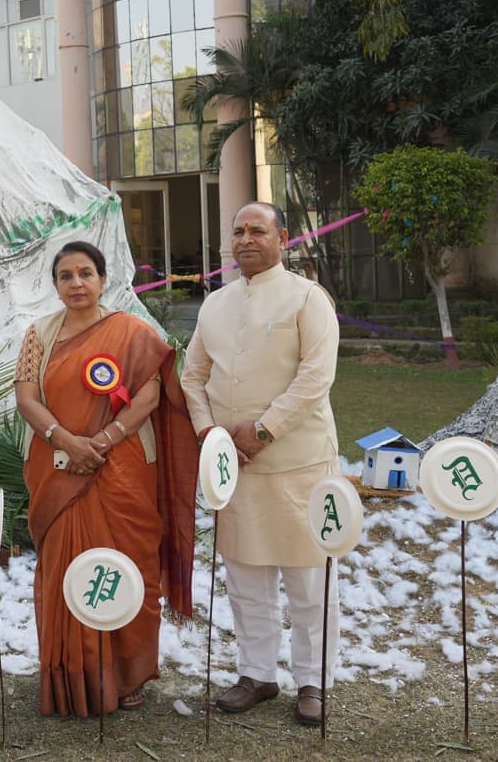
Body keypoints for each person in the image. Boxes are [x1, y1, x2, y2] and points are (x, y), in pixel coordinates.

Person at [13, 242, 198, 717]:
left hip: (122, 467)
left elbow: (149, 396)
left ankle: (127, 673)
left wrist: (104, 439)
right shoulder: (38, 336)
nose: (76, 283)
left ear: (102, 279)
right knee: (62, 569)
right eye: (66, 276)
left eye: (85, 273)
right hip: (58, 466)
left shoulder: (132, 332)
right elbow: (28, 399)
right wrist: (65, 440)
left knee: (129, 562)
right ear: (55, 284)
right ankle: (68, 673)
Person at [180, 201, 341, 726]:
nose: (246, 239)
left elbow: (316, 377)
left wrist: (263, 429)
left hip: (297, 464)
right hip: (234, 470)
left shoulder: (307, 298)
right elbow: (192, 377)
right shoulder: (215, 305)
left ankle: (314, 681)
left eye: (257, 230)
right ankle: (257, 674)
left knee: (308, 578)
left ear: (282, 238)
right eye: (238, 232)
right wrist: (210, 433)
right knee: (245, 575)